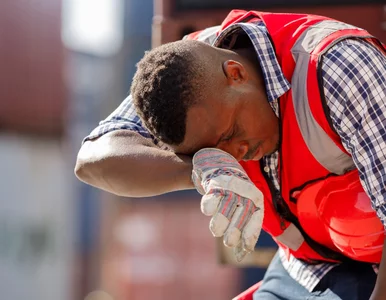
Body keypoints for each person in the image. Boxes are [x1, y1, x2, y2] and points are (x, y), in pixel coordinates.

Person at [75, 10, 386, 300]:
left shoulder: (338, 66)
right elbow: (92, 159)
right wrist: (206, 168)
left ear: (236, 73)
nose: (237, 154)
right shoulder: (175, 80)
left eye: (230, 134)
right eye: (215, 147)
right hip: (308, 265)